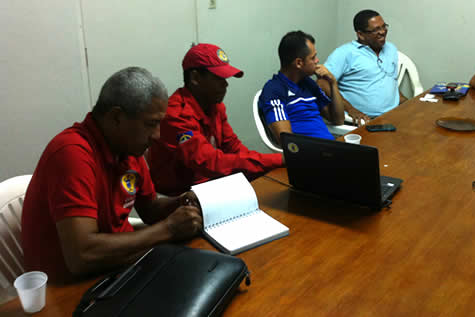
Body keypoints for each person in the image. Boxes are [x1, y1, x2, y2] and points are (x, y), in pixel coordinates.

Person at [21, 67, 203, 283]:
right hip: (72, 288)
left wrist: (180, 203)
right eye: (151, 124)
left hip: (120, 266)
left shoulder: (128, 148)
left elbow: (150, 209)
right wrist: (169, 229)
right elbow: (82, 256)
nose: (157, 136)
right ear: (116, 117)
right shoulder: (72, 154)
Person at [148, 43, 283, 196]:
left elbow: (234, 148)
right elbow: (210, 162)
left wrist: (265, 163)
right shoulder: (176, 115)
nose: (226, 84)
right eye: (219, 77)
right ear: (195, 78)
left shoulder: (215, 106)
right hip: (178, 196)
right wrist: (278, 159)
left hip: (210, 185)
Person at [318, 10, 404, 125]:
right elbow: (322, 83)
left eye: (384, 26)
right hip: (364, 121)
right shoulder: (345, 53)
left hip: (394, 115)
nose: (383, 32)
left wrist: (407, 102)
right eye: (376, 30)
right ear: (361, 34)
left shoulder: (391, 49)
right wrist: (350, 109)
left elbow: (389, 80)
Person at [258, 30, 344, 143]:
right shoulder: (274, 91)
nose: (317, 61)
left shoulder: (308, 83)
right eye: (313, 58)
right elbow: (287, 141)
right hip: (309, 151)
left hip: (330, 146)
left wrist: (333, 83)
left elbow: (338, 120)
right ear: (299, 63)